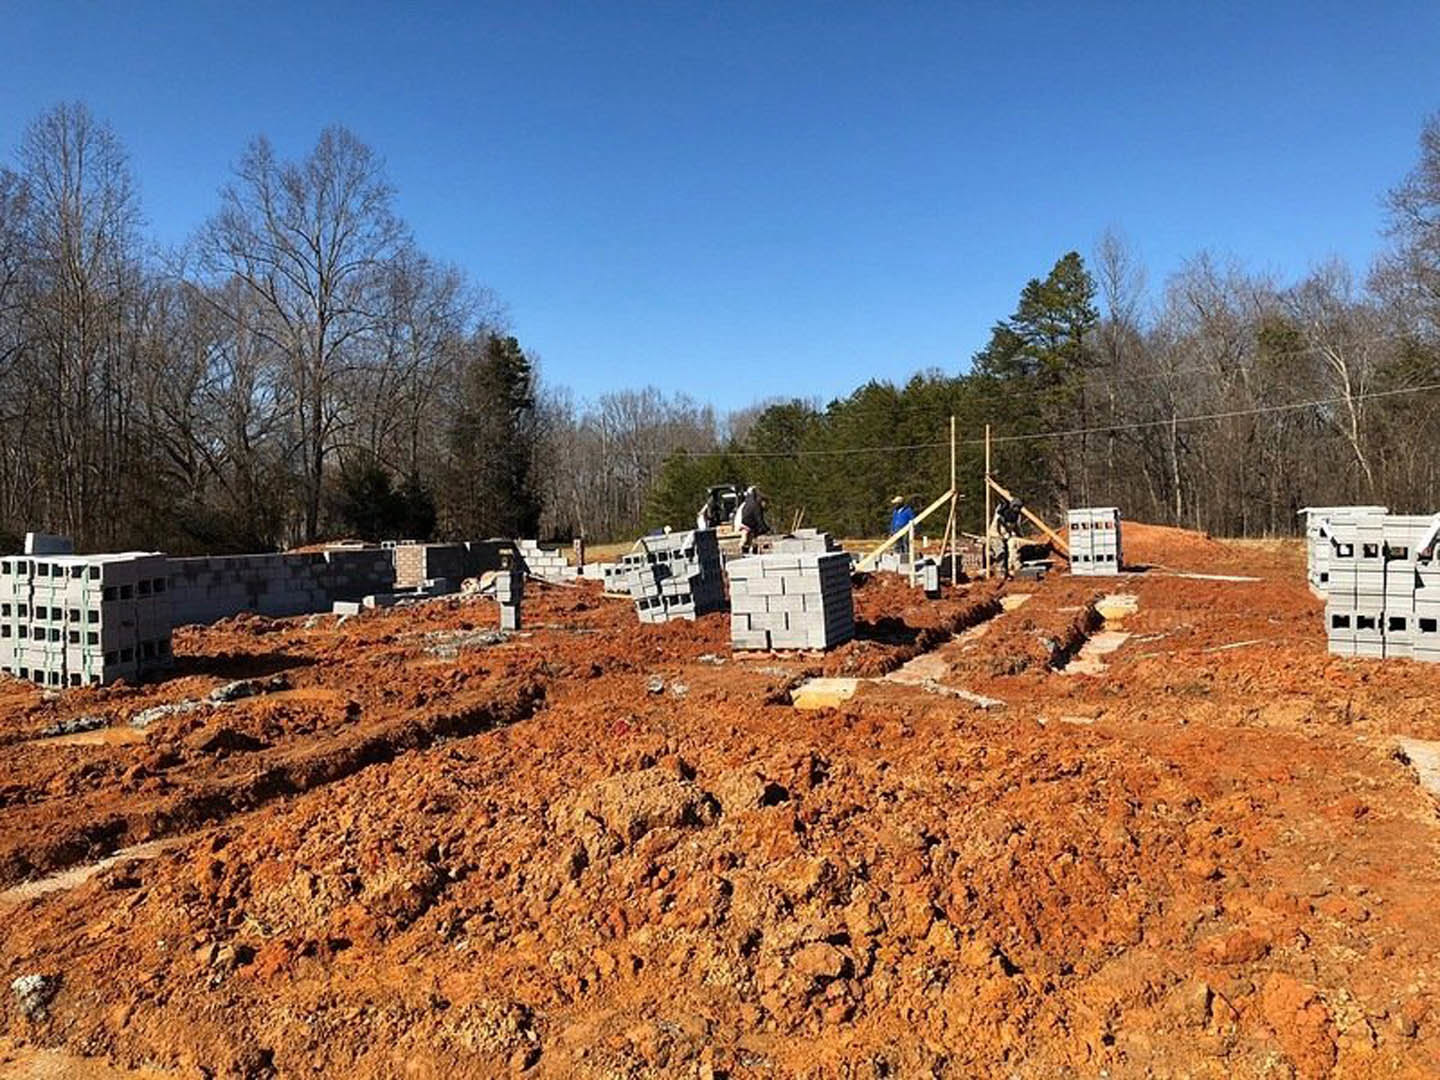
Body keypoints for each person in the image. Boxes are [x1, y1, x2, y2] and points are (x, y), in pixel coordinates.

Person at [990, 497, 1025, 577]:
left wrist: (1021, 536)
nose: (1017, 509)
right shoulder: (1002, 513)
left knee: (1014, 548)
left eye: (1018, 507)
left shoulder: (1016, 515)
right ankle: (1000, 572)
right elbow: (999, 527)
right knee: (1001, 552)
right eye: (1015, 506)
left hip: (1007, 535)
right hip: (996, 535)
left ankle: (1015, 568)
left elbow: (1016, 527)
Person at [737, 486, 768, 552]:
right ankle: (745, 550)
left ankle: (746, 550)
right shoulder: (756, 507)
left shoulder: (748, 502)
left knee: (748, 540)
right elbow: (759, 519)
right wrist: (765, 528)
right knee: (746, 540)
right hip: (746, 524)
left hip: (746, 523)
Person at [889, 495, 916, 561]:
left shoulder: (908, 510)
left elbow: (912, 520)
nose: (895, 505)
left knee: (905, 543)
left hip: (905, 529)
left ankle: (907, 558)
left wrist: (913, 529)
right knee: (897, 544)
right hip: (896, 529)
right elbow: (893, 521)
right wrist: (891, 531)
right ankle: (897, 559)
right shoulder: (895, 511)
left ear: (900, 503)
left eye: (896, 503)